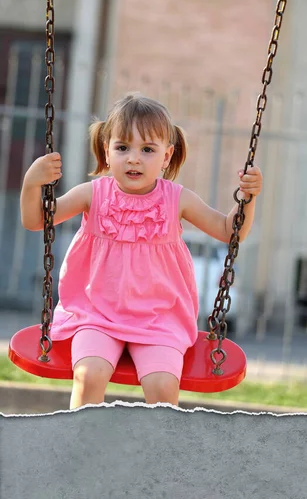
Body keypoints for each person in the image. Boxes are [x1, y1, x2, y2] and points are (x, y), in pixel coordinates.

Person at [20, 92, 262, 409]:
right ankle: (81, 450)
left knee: (162, 386)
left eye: (147, 149)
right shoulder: (92, 194)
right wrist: (31, 183)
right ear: (106, 152)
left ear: (166, 156)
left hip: (159, 319)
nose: (134, 158)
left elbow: (229, 232)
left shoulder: (178, 199)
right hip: (97, 314)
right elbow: (37, 220)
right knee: (88, 374)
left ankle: (155, 456)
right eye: (123, 148)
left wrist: (247, 199)